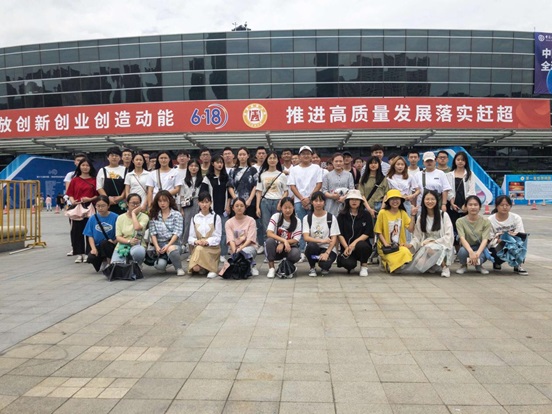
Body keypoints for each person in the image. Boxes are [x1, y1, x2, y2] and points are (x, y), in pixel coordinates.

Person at [403, 190, 454, 277]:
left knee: (429, 248)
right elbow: (417, 236)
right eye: (427, 199)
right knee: (419, 263)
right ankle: (434, 265)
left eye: (432, 199)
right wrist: (411, 245)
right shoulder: (421, 217)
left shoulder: (443, 215)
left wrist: (433, 242)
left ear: (437, 201)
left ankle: (445, 267)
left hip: (442, 245)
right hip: (426, 245)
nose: (430, 201)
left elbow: (449, 236)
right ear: (423, 201)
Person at [287, 145, 323, 253]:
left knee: (315, 225)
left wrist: (309, 198)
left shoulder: (316, 168)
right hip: (299, 202)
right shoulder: (294, 169)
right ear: (299, 156)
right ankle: (302, 250)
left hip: (314, 201)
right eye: (303, 154)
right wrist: (302, 199)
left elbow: (319, 184)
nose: (306, 156)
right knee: (301, 225)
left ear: (311, 156)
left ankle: (315, 248)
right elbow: (292, 186)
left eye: (308, 154)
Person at [375, 189, 415, 273]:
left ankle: (392, 263)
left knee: (406, 252)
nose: (395, 201)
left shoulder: (402, 213)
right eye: (392, 199)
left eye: (397, 199)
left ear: (400, 200)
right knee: (394, 266)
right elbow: (378, 231)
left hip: (399, 246)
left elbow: (411, 229)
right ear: (388, 201)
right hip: (386, 247)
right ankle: (385, 261)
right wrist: (385, 243)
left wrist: (413, 215)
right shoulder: (382, 213)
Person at [66, 157, 98, 263]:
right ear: (79, 167)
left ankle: (89, 252)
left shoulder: (94, 180)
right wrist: (72, 201)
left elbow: (98, 194)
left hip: (90, 207)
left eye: (87, 165)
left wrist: (90, 199)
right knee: (76, 231)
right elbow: (70, 193)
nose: (85, 167)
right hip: (77, 207)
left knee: (90, 231)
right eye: (83, 165)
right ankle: (79, 254)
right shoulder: (75, 180)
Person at [336, 189, 374, 276]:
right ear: (348, 201)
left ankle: (364, 266)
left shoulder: (366, 215)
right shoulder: (342, 215)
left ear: (360, 201)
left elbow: (367, 233)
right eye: (352, 199)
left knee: (362, 245)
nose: (354, 201)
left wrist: (353, 244)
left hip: (361, 246)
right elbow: (339, 234)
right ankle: (350, 264)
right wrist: (346, 247)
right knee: (349, 264)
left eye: (357, 199)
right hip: (346, 246)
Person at [488, 195, 528, 275]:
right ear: (496, 206)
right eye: (502, 205)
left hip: (513, 243)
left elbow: (520, 234)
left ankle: (518, 264)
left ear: (510, 206)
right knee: (497, 251)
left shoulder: (516, 218)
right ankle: (497, 262)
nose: (505, 207)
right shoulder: (490, 220)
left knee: (522, 242)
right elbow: (490, 237)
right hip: (498, 244)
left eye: (507, 205)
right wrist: (500, 240)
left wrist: (510, 239)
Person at [200, 153, 230, 258]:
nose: (220, 164)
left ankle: (223, 253)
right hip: (212, 209)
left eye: (221, 162)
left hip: (224, 209)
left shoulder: (226, 177)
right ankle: (211, 252)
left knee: (224, 232)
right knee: (212, 231)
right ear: (213, 164)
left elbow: (230, 194)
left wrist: (228, 206)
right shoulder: (207, 178)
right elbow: (203, 194)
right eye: (217, 162)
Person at [148, 190, 185, 276]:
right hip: (160, 244)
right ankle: (164, 261)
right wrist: (157, 247)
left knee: (171, 249)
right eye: (160, 201)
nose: (162, 203)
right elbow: (153, 233)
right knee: (159, 266)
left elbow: (177, 233)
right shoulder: (154, 215)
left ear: (169, 201)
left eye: (165, 201)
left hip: (173, 243)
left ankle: (178, 268)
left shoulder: (177, 214)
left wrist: (168, 245)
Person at [256, 151, 288, 249]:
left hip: (278, 202)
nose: (272, 160)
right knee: (266, 226)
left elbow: (286, 191)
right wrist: (257, 207)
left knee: (278, 226)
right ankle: (268, 249)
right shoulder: (262, 175)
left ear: (278, 160)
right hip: (265, 202)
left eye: (274, 158)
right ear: (267, 160)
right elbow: (259, 192)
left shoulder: (282, 175)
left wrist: (281, 202)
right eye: (270, 158)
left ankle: (278, 248)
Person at [303, 191, 339, 277]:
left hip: (328, 249)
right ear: (312, 202)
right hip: (314, 250)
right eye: (316, 201)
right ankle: (312, 266)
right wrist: (322, 240)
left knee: (325, 265)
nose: (318, 203)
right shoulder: (307, 218)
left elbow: (334, 238)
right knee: (311, 246)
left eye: (321, 201)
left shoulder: (331, 218)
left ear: (324, 202)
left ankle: (323, 263)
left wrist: (327, 253)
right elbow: (306, 237)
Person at [265, 196, 302, 278]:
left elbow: (296, 239)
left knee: (296, 254)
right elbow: (269, 233)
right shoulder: (276, 217)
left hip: (289, 248)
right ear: (281, 208)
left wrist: (283, 243)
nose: (288, 210)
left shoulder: (297, 221)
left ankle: (287, 266)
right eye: (285, 208)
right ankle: (271, 268)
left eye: (290, 207)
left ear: (293, 208)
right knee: (269, 241)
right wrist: (283, 241)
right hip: (276, 248)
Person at [188, 192, 222, 278]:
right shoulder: (195, 218)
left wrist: (207, 241)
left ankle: (212, 269)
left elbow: (218, 237)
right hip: (198, 246)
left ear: (211, 203)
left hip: (212, 247)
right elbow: (190, 237)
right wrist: (196, 241)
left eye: (207, 202)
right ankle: (203, 267)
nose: (204, 205)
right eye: (202, 202)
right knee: (195, 268)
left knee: (199, 249)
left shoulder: (216, 217)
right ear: (198, 203)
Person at [455, 195, 492, 275]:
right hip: (466, 247)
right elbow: (462, 238)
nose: (473, 207)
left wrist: (477, 253)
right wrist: (471, 252)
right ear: (466, 207)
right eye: (470, 205)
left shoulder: (486, 221)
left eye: (475, 205)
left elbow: (485, 239)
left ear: (480, 207)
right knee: (462, 252)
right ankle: (464, 265)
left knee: (481, 256)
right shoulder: (460, 221)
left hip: (480, 247)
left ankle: (479, 266)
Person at [446, 151, 476, 247]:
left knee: (465, 227)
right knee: (453, 226)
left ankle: (465, 248)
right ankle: (456, 248)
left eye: (462, 160)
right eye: (458, 159)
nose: (460, 162)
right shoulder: (449, 175)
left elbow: (472, 190)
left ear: (466, 162)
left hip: (466, 204)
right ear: (454, 161)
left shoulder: (470, 174)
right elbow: (448, 190)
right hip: (452, 204)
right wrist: (451, 203)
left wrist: (466, 205)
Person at [111, 193, 149, 266]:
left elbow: (137, 227)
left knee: (139, 251)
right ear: (127, 203)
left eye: (137, 203)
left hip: (137, 245)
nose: (135, 205)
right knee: (116, 266)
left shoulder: (144, 217)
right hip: (123, 245)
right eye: (133, 203)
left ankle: (137, 265)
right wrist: (129, 241)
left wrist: (133, 214)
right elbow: (118, 237)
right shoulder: (120, 217)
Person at [225, 197, 259, 276]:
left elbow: (250, 239)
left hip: (249, 247)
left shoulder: (251, 220)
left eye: (241, 206)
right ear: (233, 208)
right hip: (235, 249)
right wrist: (235, 251)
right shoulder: (229, 222)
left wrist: (240, 249)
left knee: (244, 253)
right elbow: (231, 240)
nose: (239, 208)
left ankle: (251, 265)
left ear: (245, 207)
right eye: (237, 206)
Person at [83, 195, 118, 272]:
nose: (100, 208)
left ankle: (110, 263)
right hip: (98, 246)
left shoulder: (116, 217)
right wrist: (93, 249)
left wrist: (114, 241)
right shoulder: (92, 218)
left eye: (103, 206)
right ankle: (102, 261)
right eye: (98, 206)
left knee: (104, 243)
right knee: (91, 258)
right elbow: (90, 235)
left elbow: (120, 233)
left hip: (110, 245)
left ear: (108, 206)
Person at [228, 147, 258, 219]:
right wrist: (235, 199)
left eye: (244, 154)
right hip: (236, 203)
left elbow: (256, 185)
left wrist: (249, 199)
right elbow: (230, 186)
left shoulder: (253, 170)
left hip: (249, 203)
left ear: (248, 156)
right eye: (240, 155)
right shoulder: (233, 170)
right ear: (237, 156)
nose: (242, 157)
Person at [96, 147, 127, 215]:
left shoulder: (125, 170)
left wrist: (121, 197)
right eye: (112, 155)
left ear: (120, 157)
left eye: (116, 155)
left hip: (122, 203)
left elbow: (127, 186)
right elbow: (99, 187)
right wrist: (107, 199)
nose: (114, 157)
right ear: (108, 157)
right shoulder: (102, 170)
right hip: (107, 203)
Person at [322, 152, 354, 217]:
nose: (338, 163)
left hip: (345, 204)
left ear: (343, 162)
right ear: (332, 162)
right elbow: (324, 191)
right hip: (331, 205)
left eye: (340, 161)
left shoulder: (349, 175)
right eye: (336, 161)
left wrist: (344, 197)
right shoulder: (327, 176)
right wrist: (332, 196)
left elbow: (352, 189)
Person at [180, 159, 202, 249]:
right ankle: (185, 243)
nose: (194, 168)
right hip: (187, 204)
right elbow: (181, 195)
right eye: (191, 166)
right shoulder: (183, 180)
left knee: (197, 223)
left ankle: (196, 243)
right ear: (188, 167)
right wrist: (181, 209)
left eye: (196, 166)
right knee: (187, 223)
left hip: (198, 202)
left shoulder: (202, 180)